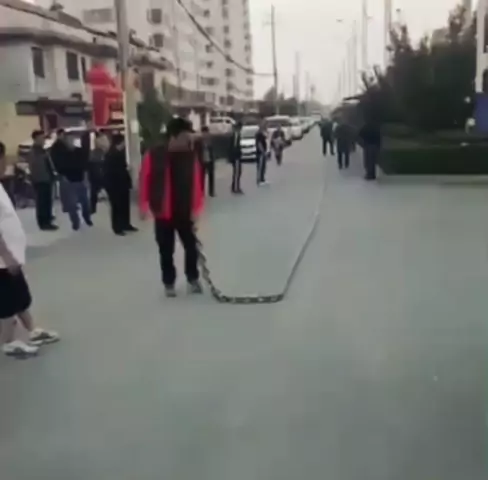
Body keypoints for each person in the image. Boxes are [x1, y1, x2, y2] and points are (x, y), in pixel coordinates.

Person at [0, 143, 59, 358]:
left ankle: (32, 330)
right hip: (4, 259)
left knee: (20, 296)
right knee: (7, 302)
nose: (5, 164)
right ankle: (9, 342)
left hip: (12, 255)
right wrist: (6, 256)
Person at [139, 117, 204, 298]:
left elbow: (197, 185)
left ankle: (193, 278)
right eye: (185, 136)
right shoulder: (154, 155)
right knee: (166, 250)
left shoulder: (190, 156)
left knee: (191, 247)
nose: (189, 140)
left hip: (185, 211)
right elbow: (145, 180)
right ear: (174, 136)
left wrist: (196, 210)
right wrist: (143, 205)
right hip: (163, 212)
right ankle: (169, 282)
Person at [53, 134, 92, 231]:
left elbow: (85, 165)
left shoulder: (79, 151)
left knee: (85, 202)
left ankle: (87, 217)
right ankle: (75, 221)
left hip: (80, 179)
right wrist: (62, 176)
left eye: (72, 139)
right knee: (72, 204)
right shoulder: (62, 153)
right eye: (68, 140)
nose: (70, 142)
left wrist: (86, 178)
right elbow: (58, 165)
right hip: (69, 181)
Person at [104, 134, 137, 236]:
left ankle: (126, 224)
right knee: (116, 207)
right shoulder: (111, 155)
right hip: (115, 185)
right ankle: (117, 227)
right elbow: (110, 172)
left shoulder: (119, 153)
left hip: (123, 184)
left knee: (125, 205)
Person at [28, 130, 58, 231]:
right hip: (40, 179)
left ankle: (48, 217)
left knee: (47, 200)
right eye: (41, 138)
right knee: (42, 202)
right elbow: (35, 167)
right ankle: (43, 222)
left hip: (46, 178)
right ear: (36, 139)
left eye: (43, 138)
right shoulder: (34, 152)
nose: (43, 140)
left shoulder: (42, 150)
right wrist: (37, 178)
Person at [88, 133, 109, 213]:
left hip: (96, 176)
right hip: (100, 175)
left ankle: (92, 208)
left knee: (93, 193)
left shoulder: (94, 153)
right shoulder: (103, 153)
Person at [199, 126, 216, 197]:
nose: (205, 135)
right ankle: (201, 191)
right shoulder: (199, 142)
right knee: (202, 177)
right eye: (204, 133)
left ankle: (211, 192)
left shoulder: (210, 141)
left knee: (211, 176)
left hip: (209, 160)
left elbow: (213, 151)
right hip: (202, 160)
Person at [229, 121, 243, 194]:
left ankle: (234, 186)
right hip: (236, 156)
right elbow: (234, 146)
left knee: (238, 172)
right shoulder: (235, 135)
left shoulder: (237, 134)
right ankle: (236, 188)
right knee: (237, 172)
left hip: (237, 156)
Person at [255, 121, 269, 186]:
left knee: (263, 166)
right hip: (260, 152)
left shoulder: (263, 133)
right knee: (260, 167)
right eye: (265, 125)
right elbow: (259, 144)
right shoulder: (259, 134)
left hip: (263, 151)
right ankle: (259, 180)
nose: (266, 126)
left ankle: (262, 179)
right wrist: (263, 151)